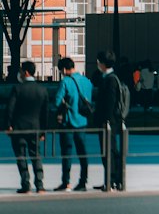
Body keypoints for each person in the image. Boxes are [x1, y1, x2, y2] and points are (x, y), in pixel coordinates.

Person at [6, 60, 48, 194]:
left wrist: (9, 125)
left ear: (26, 72)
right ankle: (40, 184)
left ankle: (26, 184)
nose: (19, 74)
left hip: (19, 128)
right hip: (35, 127)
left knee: (21, 156)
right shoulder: (42, 90)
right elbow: (45, 113)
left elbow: (10, 109)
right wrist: (43, 131)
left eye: (20, 71)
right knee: (36, 155)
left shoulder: (17, 89)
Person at [54, 56, 92, 192]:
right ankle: (83, 181)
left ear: (64, 69)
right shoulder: (87, 81)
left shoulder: (65, 82)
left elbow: (57, 102)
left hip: (68, 122)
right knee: (83, 152)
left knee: (67, 152)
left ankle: (66, 182)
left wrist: (64, 103)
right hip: (82, 122)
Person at [93, 50, 128, 191]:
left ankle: (112, 179)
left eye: (98, 61)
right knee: (111, 150)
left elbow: (109, 102)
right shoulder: (110, 78)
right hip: (110, 121)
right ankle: (112, 179)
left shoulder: (110, 79)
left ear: (102, 63)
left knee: (109, 151)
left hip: (108, 122)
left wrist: (105, 120)